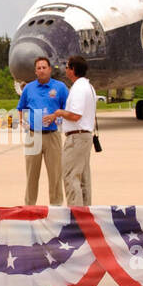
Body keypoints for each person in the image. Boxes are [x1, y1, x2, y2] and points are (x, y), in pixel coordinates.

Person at [45, 54, 96, 206]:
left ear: (73, 70)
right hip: (84, 136)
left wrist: (58, 113)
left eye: (67, 67)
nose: (65, 70)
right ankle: (86, 213)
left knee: (70, 176)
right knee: (83, 178)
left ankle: (76, 215)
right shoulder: (88, 86)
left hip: (77, 138)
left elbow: (75, 115)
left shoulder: (79, 88)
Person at [16, 56, 68, 205]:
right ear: (35, 71)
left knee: (55, 174)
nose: (41, 70)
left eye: (44, 67)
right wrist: (24, 124)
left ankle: (56, 206)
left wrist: (56, 117)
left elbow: (67, 109)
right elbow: (21, 108)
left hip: (52, 136)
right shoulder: (29, 88)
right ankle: (29, 206)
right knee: (32, 174)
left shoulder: (60, 87)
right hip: (33, 135)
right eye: (38, 68)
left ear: (50, 69)